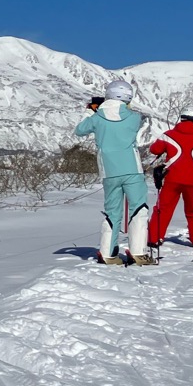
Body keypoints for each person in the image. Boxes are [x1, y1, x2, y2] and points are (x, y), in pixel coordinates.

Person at [75, 79, 150, 263]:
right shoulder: (134, 117)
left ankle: (108, 253)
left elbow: (79, 130)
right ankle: (138, 252)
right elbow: (123, 112)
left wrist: (90, 110)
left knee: (112, 212)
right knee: (138, 208)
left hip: (109, 171)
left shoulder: (96, 118)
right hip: (132, 169)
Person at [147, 112, 193, 257]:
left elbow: (154, 149)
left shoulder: (169, 135)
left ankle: (155, 238)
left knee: (163, 208)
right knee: (192, 210)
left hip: (172, 178)